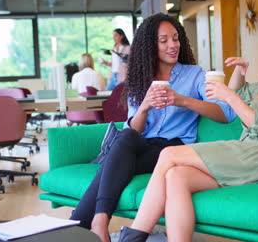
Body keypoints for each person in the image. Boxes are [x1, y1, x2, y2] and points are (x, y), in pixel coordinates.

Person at [119, 21, 258, 242]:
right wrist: (239, 72)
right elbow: (240, 95)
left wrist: (229, 96)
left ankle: (134, 236)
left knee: (168, 154)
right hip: (253, 154)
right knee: (176, 176)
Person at [69, 13, 236, 242]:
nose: (172, 45)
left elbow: (225, 114)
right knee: (126, 136)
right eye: (164, 40)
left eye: (175, 38)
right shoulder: (140, 79)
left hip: (173, 149)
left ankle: (86, 222)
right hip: (140, 144)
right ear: (150, 45)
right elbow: (135, 130)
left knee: (114, 160)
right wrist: (145, 106)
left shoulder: (194, 74)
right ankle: (97, 221)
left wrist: (183, 100)